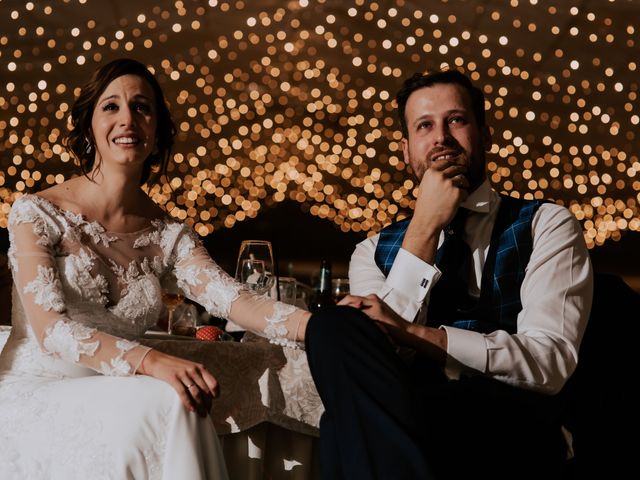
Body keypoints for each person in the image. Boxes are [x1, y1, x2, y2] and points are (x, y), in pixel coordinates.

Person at [0, 58, 311, 479]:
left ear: (157, 130)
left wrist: (325, 328)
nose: (127, 118)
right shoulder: (38, 212)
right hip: (34, 392)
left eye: (142, 107)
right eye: (111, 106)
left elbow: (237, 301)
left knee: (178, 399)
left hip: (115, 393)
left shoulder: (168, 236)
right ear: (89, 125)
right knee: (171, 396)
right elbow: (50, 330)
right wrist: (152, 361)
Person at [304, 69, 593, 480]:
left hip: (510, 426)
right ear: (406, 151)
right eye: (424, 125)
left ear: (485, 135)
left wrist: (417, 334)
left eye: (455, 120)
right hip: (410, 419)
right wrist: (424, 228)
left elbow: (550, 363)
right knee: (333, 327)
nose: (440, 137)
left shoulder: (546, 225)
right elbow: (378, 356)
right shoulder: (370, 251)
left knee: (344, 432)